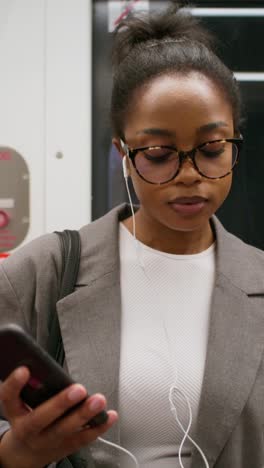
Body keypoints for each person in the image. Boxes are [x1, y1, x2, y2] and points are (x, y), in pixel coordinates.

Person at [0, 2, 263, 467]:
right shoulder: (45, 273)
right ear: (123, 152)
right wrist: (12, 453)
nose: (189, 174)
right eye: (159, 153)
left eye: (212, 149)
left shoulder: (258, 281)